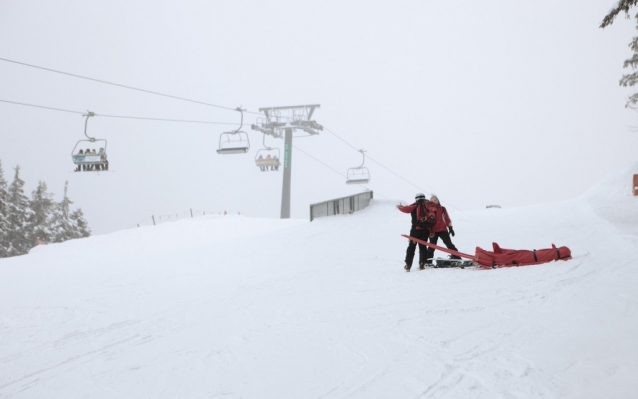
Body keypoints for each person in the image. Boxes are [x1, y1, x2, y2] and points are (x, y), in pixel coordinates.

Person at [397, 193, 436, 271]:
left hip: (416, 230)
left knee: (411, 247)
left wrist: (399, 206)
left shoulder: (415, 205)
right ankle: (422, 263)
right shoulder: (429, 206)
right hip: (426, 230)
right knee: (423, 247)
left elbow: (406, 209)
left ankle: (408, 265)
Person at [426, 195, 461, 263]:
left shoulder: (442, 209)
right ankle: (428, 261)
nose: (434, 201)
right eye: (432, 200)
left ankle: (457, 258)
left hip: (443, 230)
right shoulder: (428, 209)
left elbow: (446, 218)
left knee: (449, 244)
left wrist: (450, 228)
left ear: (438, 201)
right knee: (432, 246)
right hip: (433, 231)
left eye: (435, 200)